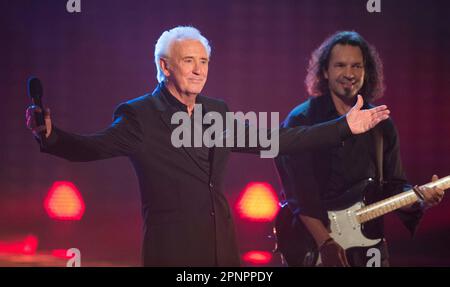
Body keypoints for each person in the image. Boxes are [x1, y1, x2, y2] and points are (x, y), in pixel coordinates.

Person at [26, 26, 389, 267]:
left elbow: (280, 139)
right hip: (172, 253)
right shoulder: (140, 116)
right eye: (189, 61)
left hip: (222, 251)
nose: (200, 70)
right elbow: (91, 147)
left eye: (204, 61)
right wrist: (51, 135)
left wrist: (344, 126)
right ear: (165, 67)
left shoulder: (215, 113)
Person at [275, 31, 445, 267]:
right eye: (340, 65)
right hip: (314, 247)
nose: (349, 74)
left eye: (357, 66)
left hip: (370, 247)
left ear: (367, 71)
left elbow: (394, 186)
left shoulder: (381, 122)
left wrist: (421, 199)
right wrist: (326, 243)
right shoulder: (301, 119)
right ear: (325, 71)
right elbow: (298, 194)